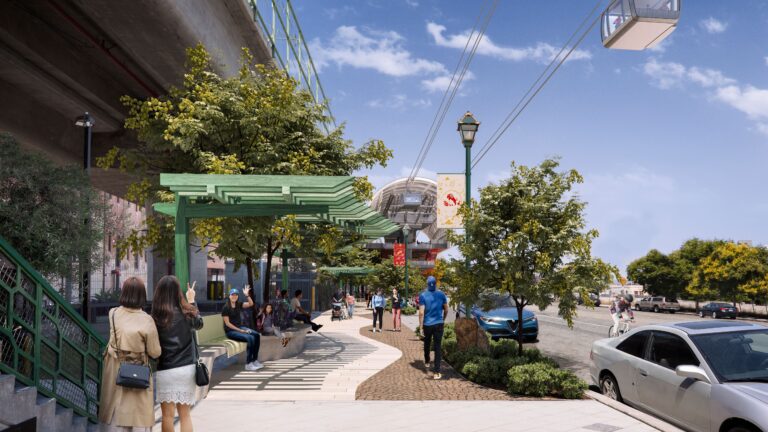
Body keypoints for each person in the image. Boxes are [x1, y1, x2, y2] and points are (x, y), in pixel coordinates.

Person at [99, 277, 161, 432]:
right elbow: (155, 352)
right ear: (142, 295)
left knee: (114, 407)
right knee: (138, 413)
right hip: (138, 372)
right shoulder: (147, 320)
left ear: (124, 292)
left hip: (115, 369)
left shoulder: (113, 313)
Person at [151, 276, 204, 432]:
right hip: (186, 369)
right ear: (177, 292)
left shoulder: (155, 317)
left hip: (165, 369)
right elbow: (199, 323)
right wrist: (191, 300)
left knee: (167, 416)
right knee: (185, 415)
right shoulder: (187, 312)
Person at [221, 286, 263, 370]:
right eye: (232, 295)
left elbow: (251, 304)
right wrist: (240, 330)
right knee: (250, 338)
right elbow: (227, 324)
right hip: (230, 331)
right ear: (229, 296)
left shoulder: (238, 304)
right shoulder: (225, 307)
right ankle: (248, 363)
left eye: (236, 295)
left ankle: (254, 360)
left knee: (256, 335)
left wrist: (247, 295)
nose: (234, 296)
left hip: (240, 328)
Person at [419, 276, 448, 380]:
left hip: (427, 324)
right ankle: (436, 372)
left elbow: (421, 312)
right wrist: (443, 319)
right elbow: (446, 309)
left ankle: (427, 360)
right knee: (437, 347)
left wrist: (420, 327)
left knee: (427, 343)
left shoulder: (423, 295)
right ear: (436, 284)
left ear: (427, 284)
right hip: (439, 323)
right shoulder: (441, 294)